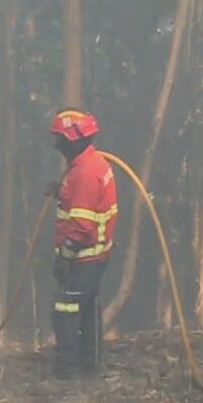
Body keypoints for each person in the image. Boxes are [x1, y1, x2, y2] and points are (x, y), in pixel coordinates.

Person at [47, 109, 118, 379]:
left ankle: (67, 373)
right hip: (96, 257)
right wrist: (63, 193)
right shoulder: (92, 164)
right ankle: (91, 365)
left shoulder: (85, 172)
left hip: (83, 259)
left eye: (60, 139)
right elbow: (84, 202)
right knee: (87, 310)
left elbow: (81, 225)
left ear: (74, 138)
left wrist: (64, 256)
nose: (57, 145)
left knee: (65, 311)